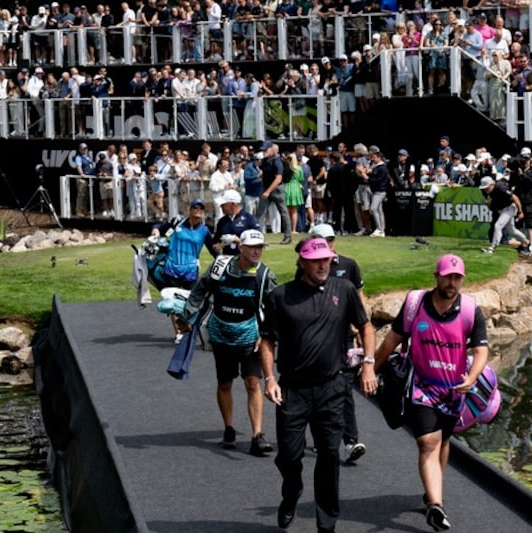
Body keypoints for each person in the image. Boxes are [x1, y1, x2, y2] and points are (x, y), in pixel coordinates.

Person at [363, 254, 489, 532]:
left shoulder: (470, 310)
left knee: (443, 441)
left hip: (454, 391)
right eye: (447, 277)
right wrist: (370, 369)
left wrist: (471, 377)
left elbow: (481, 350)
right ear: (436, 276)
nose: (452, 283)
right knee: (427, 442)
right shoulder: (415, 305)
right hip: (421, 387)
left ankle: (432, 493)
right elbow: (392, 340)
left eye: (457, 278)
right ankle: (435, 505)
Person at [259, 236, 375, 532]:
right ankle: (292, 491)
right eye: (316, 261)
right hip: (293, 389)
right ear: (302, 262)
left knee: (329, 456)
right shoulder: (280, 296)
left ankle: (326, 525)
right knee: (289, 456)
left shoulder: (344, 289)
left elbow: (365, 325)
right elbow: (267, 340)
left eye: (327, 260)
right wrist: (269, 378)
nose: (323, 265)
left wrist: (368, 363)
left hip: (331, 387)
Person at [178, 228, 277, 454]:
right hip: (221, 334)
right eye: (252, 247)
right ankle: (229, 428)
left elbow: (274, 308)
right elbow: (199, 290)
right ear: (240, 247)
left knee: (253, 382)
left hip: (250, 336)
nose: (257, 251)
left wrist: (266, 335)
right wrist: (187, 316)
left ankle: (257, 435)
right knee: (224, 383)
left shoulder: (264, 275)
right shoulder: (219, 267)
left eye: (260, 247)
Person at [306, 223, 367, 463]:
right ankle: (322, 436)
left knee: (344, 389)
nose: (328, 244)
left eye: (331, 239)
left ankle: (350, 441)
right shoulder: (309, 266)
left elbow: (359, 298)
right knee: (317, 388)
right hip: (318, 339)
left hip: (344, 337)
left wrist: (362, 327)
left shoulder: (349, 265)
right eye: (323, 240)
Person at [151, 198, 217, 342]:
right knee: (173, 302)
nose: (198, 211)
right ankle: (179, 333)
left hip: (191, 272)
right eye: (195, 208)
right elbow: (158, 226)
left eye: (201, 209)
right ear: (190, 209)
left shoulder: (204, 230)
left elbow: (213, 250)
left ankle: (187, 328)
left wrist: (223, 261)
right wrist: (155, 230)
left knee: (190, 302)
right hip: (171, 269)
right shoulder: (177, 222)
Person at [479, 176, 530, 256]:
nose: (485, 190)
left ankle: (492, 248)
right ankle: (527, 242)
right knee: (511, 230)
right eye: (484, 188)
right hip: (501, 209)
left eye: (487, 187)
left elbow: (515, 198)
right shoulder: (485, 191)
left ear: (492, 184)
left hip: (510, 208)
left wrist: (520, 212)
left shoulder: (501, 188)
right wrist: (487, 203)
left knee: (497, 226)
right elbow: (491, 207)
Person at [212, 189, 260, 256]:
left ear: (233, 204)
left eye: (223, 204)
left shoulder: (249, 219)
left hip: (245, 258)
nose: (221, 206)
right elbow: (216, 241)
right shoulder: (222, 221)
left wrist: (238, 241)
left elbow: (258, 241)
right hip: (227, 259)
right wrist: (216, 246)